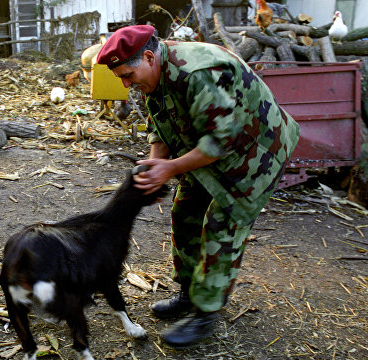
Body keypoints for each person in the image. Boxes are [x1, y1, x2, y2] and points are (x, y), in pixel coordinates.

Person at [96, 25, 299, 347]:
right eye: (120, 77)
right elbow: (159, 126)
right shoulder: (154, 76)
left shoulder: (198, 73)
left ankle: (206, 312)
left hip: (255, 152)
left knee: (221, 225)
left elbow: (221, 141)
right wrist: (154, 165)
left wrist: (171, 168)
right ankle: (189, 293)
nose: (125, 84)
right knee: (186, 211)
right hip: (207, 149)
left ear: (149, 57)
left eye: (127, 75)